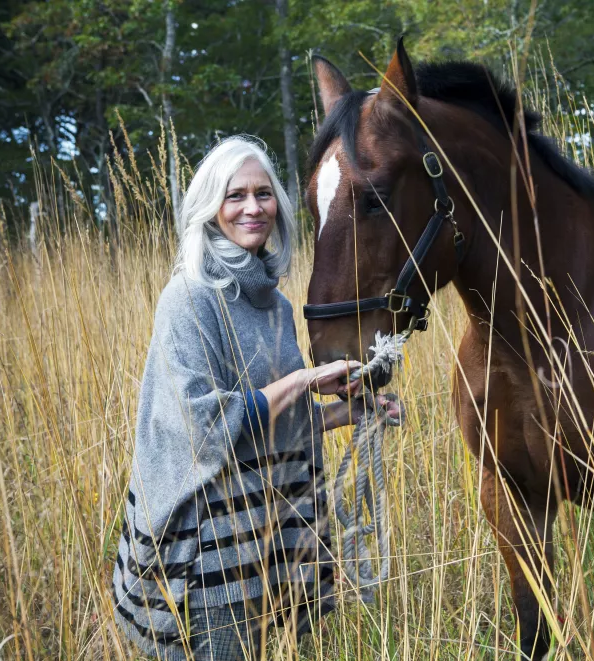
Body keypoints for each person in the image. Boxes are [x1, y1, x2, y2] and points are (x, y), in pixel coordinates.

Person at [112, 135, 401, 660]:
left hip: (278, 540)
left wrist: (349, 411)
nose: (252, 207)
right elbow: (206, 426)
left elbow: (269, 423)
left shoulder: (274, 305)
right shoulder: (189, 298)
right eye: (235, 195)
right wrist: (306, 379)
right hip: (215, 557)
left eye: (263, 193)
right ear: (210, 208)